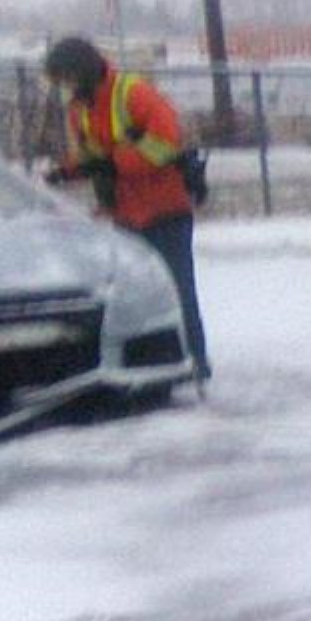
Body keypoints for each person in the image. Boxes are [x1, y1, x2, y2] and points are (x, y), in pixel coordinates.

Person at [43, 36, 208, 383]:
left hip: (164, 210)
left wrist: (113, 165)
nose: (63, 88)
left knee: (177, 290)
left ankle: (195, 360)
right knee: (134, 298)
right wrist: (66, 171)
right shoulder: (80, 109)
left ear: (82, 72)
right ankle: (149, 362)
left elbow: (165, 145)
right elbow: (92, 156)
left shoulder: (132, 93)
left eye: (65, 79)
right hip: (124, 214)